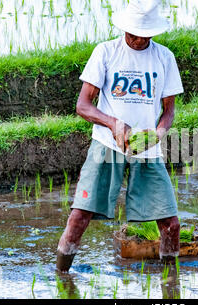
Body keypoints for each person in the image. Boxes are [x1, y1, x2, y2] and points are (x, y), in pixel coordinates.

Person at [56, 0, 184, 273]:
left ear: (152, 33)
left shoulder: (164, 58)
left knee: (171, 224)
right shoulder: (106, 52)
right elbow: (83, 105)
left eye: (142, 35)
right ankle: (61, 276)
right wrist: (113, 123)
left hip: (146, 151)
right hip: (106, 146)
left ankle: (171, 283)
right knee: (79, 216)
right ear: (124, 28)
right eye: (132, 33)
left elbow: (169, 111)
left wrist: (158, 133)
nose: (136, 39)